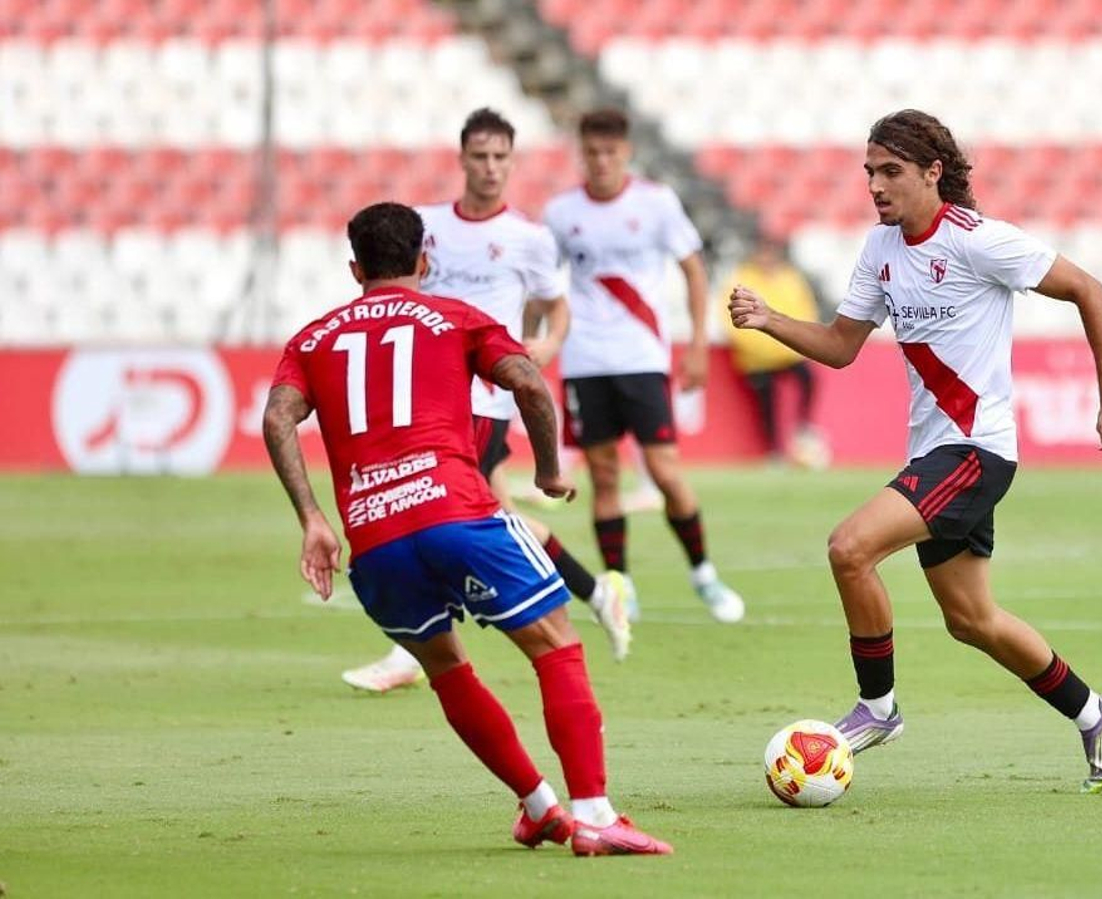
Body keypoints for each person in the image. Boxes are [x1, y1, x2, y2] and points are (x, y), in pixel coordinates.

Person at [729, 110, 1102, 794]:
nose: (876, 186)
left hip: (976, 450)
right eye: (869, 172)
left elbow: (1087, 290)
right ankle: (1095, 711)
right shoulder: (880, 250)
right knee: (972, 620)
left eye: (890, 171)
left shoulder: (982, 242)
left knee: (849, 547)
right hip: (938, 453)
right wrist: (771, 320)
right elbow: (839, 346)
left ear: (932, 172)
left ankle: (878, 709)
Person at [263, 201, 671, 855]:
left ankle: (540, 808)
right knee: (556, 644)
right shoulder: (453, 316)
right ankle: (594, 813)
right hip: (458, 515)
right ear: (426, 259)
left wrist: (313, 518)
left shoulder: (313, 339)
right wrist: (547, 471)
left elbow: (278, 418)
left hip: (374, 540)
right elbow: (529, 385)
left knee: (447, 668)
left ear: (354, 267)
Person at [341, 109, 634, 693]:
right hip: (431, 393)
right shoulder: (425, 228)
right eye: (480, 156)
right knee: (488, 513)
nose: (491, 167)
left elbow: (556, 306)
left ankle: (409, 650)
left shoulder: (527, 238)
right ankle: (600, 592)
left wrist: (545, 347)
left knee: (429, 507)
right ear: (463, 159)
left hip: (483, 397)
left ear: (512, 161)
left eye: (501, 157)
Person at [543, 107, 743, 623]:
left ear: (626, 152)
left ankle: (703, 573)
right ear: (580, 153)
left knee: (663, 469)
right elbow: (542, 282)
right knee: (604, 475)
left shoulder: (655, 203)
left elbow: (694, 273)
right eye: (592, 153)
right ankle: (620, 585)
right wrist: (530, 342)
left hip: (641, 356)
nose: (602, 162)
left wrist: (698, 344)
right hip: (584, 358)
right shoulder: (562, 213)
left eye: (611, 152)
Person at [720, 235, 829, 468]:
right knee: (767, 403)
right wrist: (762, 348)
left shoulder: (790, 278)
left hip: (787, 352)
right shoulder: (741, 279)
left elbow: (805, 312)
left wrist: (794, 343)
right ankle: (774, 451)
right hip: (757, 359)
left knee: (808, 379)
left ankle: (803, 426)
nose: (767, 258)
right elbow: (732, 322)